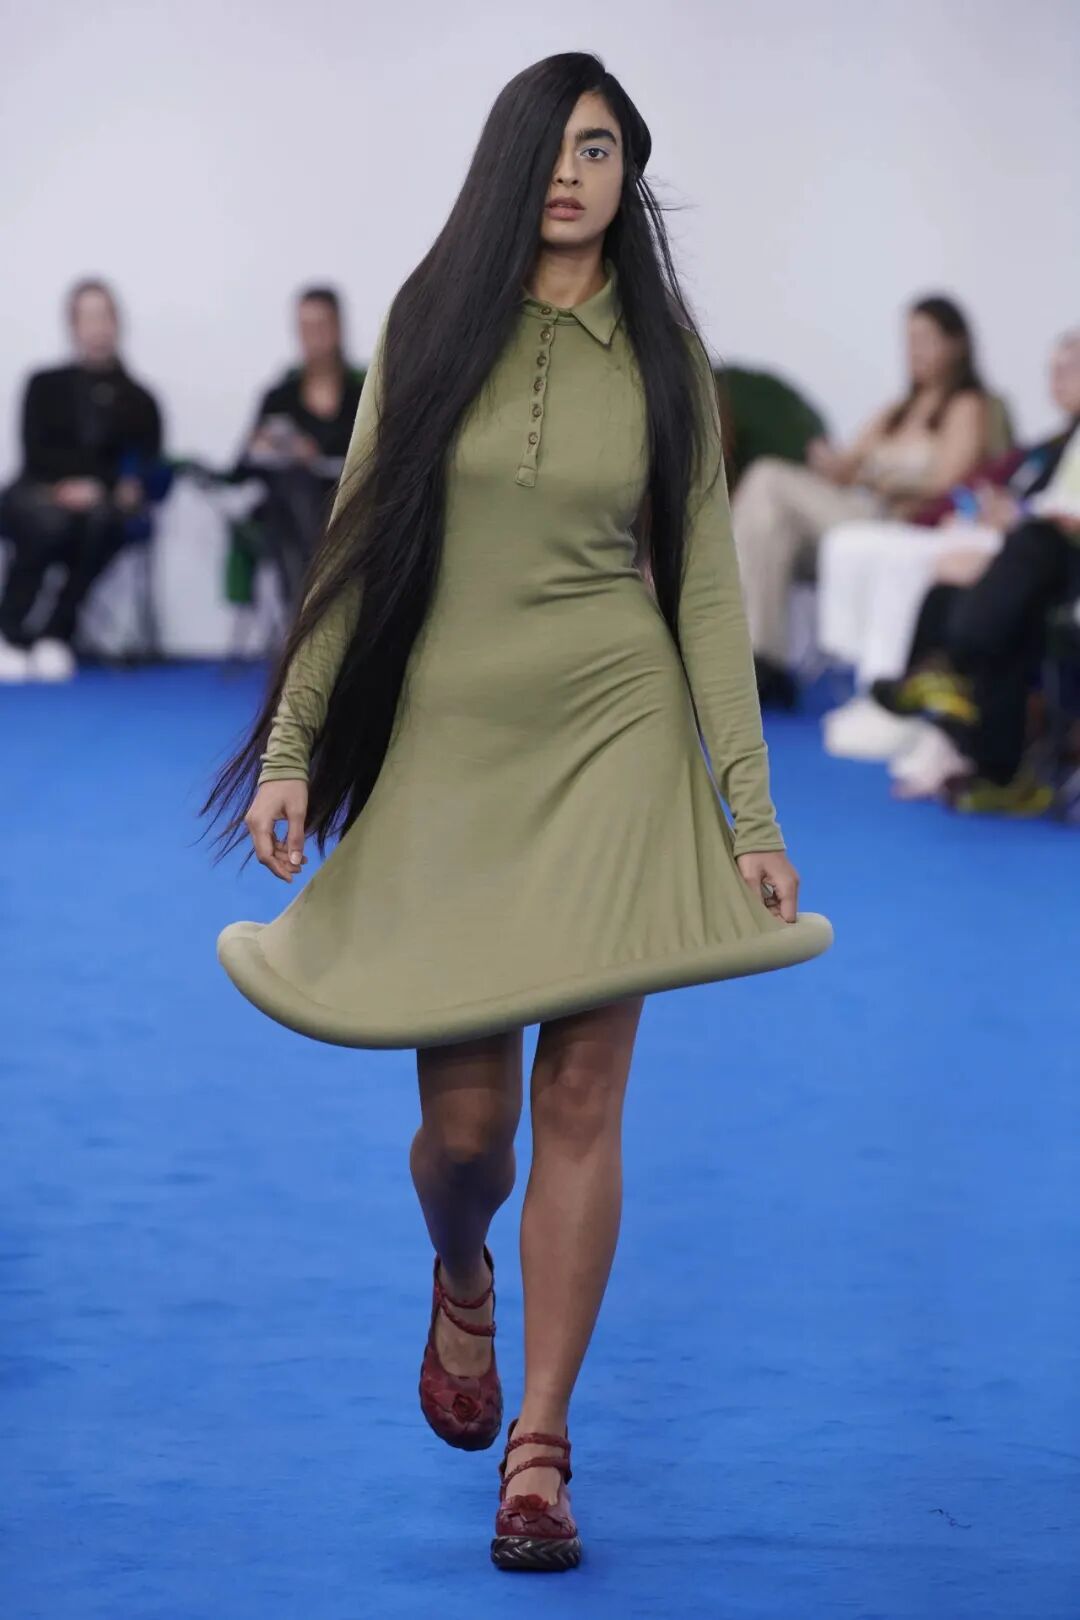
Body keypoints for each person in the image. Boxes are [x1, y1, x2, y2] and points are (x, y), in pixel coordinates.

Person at [200, 54, 833, 1574]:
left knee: (585, 1100)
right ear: (507, 163)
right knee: (468, 1135)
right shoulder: (431, 322)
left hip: (617, 740)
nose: (571, 172)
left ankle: (540, 1449)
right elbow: (356, 545)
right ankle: (462, 1267)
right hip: (455, 751)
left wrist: (749, 814)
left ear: (629, 172)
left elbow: (702, 589)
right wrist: (291, 746)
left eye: (599, 148)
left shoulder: (666, 354)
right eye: (549, 147)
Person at [817, 331, 1080, 759]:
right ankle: (909, 696)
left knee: (929, 564)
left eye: (1069, 368)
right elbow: (1020, 496)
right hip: (1018, 544)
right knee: (932, 582)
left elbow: (1053, 515)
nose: (1057, 379)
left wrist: (1015, 525)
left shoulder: (976, 410)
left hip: (1048, 555)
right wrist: (990, 513)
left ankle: (940, 671)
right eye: (1052, 370)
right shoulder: (1051, 446)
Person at [731, 295, 1001, 709]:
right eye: (909, 340)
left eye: (925, 339)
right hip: (855, 511)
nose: (914, 351)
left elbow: (949, 480)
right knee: (772, 526)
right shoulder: (896, 411)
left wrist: (879, 479)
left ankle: (759, 658)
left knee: (767, 476)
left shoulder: (967, 406)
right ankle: (761, 661)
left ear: (955, 345)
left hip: (895, 523)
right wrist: (829, 463)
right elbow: (847, 466)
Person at [871, 423, 1080, 813]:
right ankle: (993, 769)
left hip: (1059, 556)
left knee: (1032, 546)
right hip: (1045, 561)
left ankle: (948, 667)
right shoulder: (1060, 442)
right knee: (950, 596)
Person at [0, 279, 164, 681]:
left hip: (101, 507)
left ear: (117, 323)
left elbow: (147, 465)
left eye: (103, 316)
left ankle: (56, 633)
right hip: (36, 492)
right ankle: (10, 632)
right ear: (72, 325)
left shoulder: (140, 400)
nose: (97, 327)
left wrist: (102, 488)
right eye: (87, 317)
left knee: (102, 523)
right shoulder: (44, 384)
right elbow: (35, 453)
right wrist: (71, 485)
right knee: (48, 522)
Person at [235, 286, 366, 617]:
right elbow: (242, 468)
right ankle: (308, 606)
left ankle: (310, 607)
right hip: (288, 516)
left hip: (348, 504)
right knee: (292, 488)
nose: (313, 336)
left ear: (338, 327)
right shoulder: (280, 397)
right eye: (305, 327)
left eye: (321, 325)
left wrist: (317, 455)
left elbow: (379, 456)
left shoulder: (363, 393)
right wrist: (265, 447)